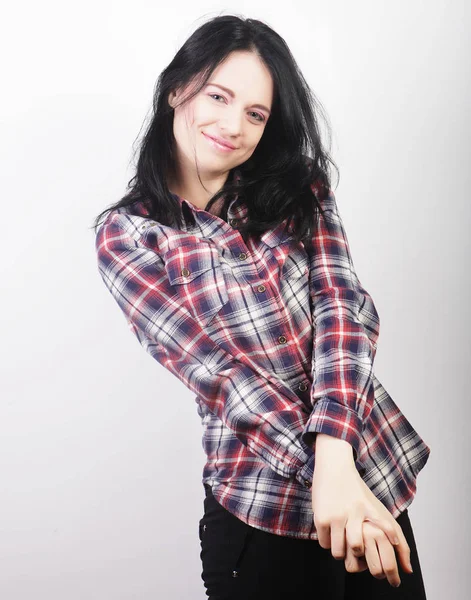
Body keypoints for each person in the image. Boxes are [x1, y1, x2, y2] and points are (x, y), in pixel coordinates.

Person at [92, 14, 431, 600]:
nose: (232, 125)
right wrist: (324, 472)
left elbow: (342, 309)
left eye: (255, 113)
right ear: (178, 89)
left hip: (367, 483)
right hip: (260, 505)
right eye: (218, 97)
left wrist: (338, 459)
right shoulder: (129, 237)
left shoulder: (300, 190)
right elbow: (219, 375)